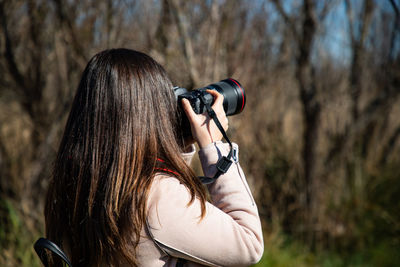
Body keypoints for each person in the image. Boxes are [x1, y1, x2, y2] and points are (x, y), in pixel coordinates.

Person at [45, 48, 263, 266]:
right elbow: (249, 244)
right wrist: (214, 149)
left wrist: (170, 145)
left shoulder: (70, 183)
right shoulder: (156, 196)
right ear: (148, 113)